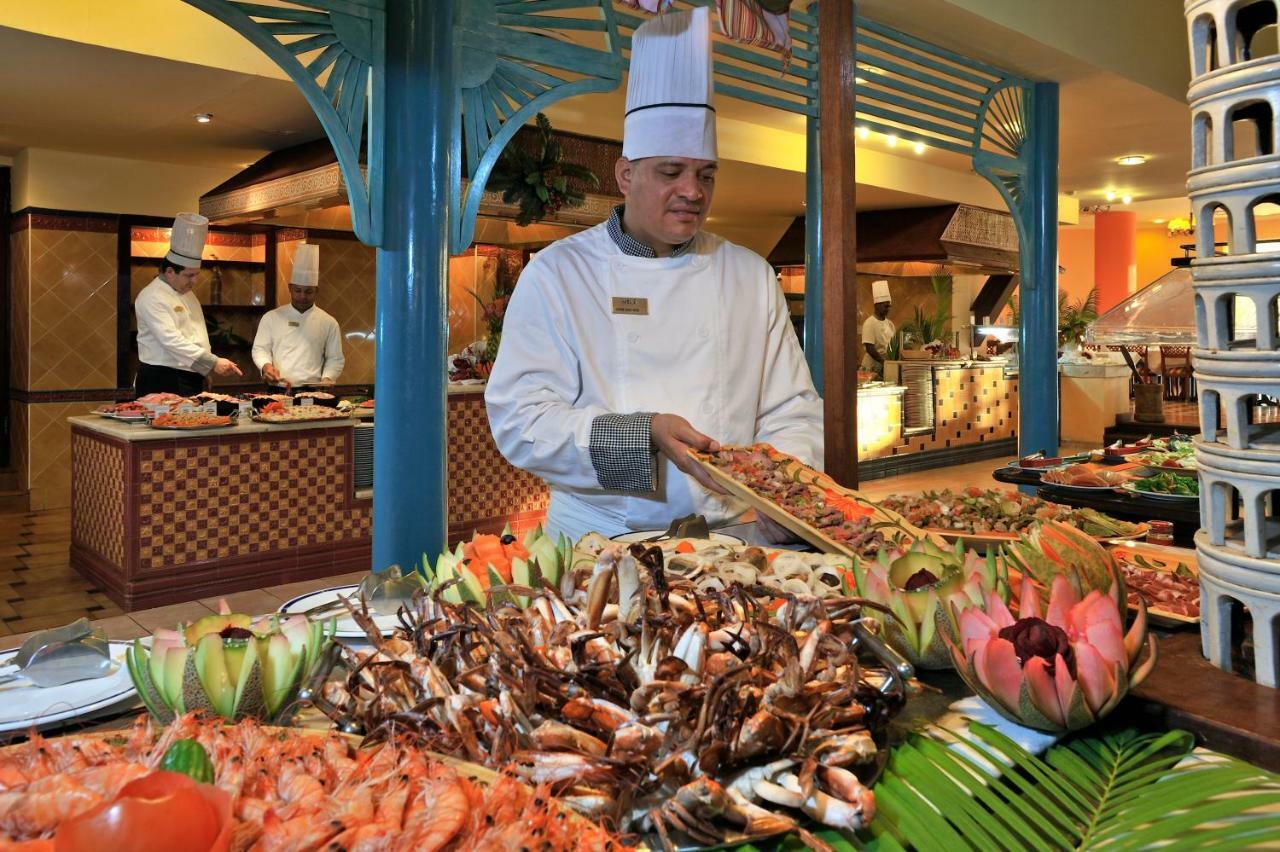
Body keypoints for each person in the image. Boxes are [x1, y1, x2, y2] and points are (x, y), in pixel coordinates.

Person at [485, 7, 823, 541]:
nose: (693, 191)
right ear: (626, 173)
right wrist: (641, 434)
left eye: (705, 175)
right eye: (671, 172)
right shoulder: (559, 274)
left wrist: (776, 501)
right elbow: (521, 422)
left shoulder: (750, 275)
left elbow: (794, 411)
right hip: (602, 540)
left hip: (736, 538)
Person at [134, 213, 242, 396]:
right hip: (162, 378)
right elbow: (172, 340)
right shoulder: (152, 297)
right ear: (170, 272)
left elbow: (198, 333)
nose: (194, 281)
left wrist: (205, 370)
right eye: (189, 275)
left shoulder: (188, 294)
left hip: (190, 375)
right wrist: (213, 362)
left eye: (196, 274)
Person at [251, 243, 344, 388]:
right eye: (297, 290)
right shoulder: (271, 317)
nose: (302, 296)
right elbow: (260, 349)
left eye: (308, 292)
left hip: (313, 391)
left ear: (316, 291)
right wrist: (266, 366)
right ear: (290, 288)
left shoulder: (328, 322)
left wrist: (327, 378)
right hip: (278, 390)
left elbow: (335, 358)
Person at [860, 280, 895, 376]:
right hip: (871, 367)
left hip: (886, 365)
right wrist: (883, 362)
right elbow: (870, 348)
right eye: (886, 306)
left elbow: (893, 346)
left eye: (889, 306)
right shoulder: (869, 323)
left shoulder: (890, 324)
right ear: (877, 305)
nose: (888, 309)